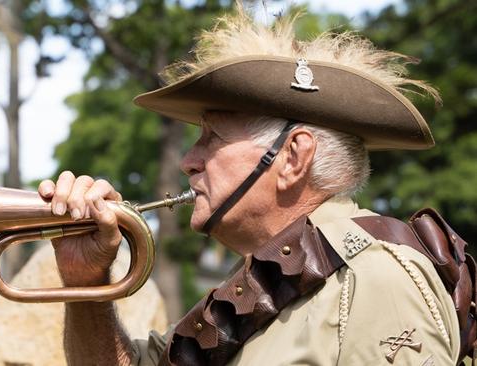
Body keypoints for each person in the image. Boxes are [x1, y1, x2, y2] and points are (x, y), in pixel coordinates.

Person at [37, 8, 461, 366]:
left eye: (212, 138)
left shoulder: (375, 279)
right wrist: (87, 281)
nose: (189, 161)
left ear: (293, 157)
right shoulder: (263, 281)